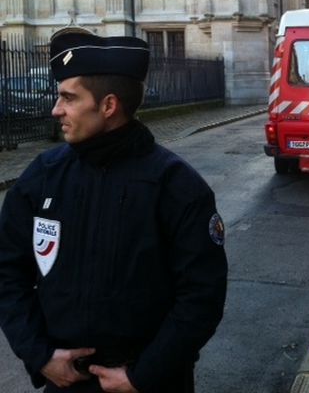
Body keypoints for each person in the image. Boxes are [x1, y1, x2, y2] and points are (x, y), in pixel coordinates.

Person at [0, 27, 228, 393]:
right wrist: (40, 355)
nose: (56, 109)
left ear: (108, 106)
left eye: (68, 97)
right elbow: (7, 272)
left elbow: (201, 297)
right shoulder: (41, 177)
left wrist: (143, 376)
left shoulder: (177, 187)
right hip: (65, 382)